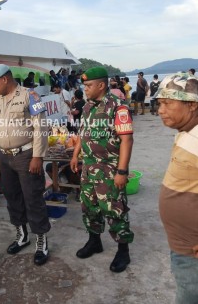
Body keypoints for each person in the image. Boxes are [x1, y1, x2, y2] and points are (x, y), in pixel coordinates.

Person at [0, 64, 50, 266]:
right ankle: (22, 235)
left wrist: (38, 156)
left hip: (26, 155)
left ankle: (41, 240)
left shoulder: (30, 96)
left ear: (5, 79)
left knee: (32, 198)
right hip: (4, 157)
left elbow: (41, 127)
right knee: (12, 197)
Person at [70, 66, 134, 273]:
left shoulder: (118, 107)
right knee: (89, 207)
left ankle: (123, 250)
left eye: (88, 86)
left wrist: (122, 172)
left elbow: (127, 140)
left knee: (115, 209)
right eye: (84, 86)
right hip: (89, 168)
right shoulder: (88, 106)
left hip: (109, 169)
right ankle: (94, 241)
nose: (85, 89)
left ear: (101, 85)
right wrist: (75, 155)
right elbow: (83, 132)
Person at [154, 72, 198, 303]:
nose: (160, 110)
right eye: (160, 104)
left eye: (167, 103)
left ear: (191, 105)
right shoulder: (186, 132)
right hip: (182, 243)